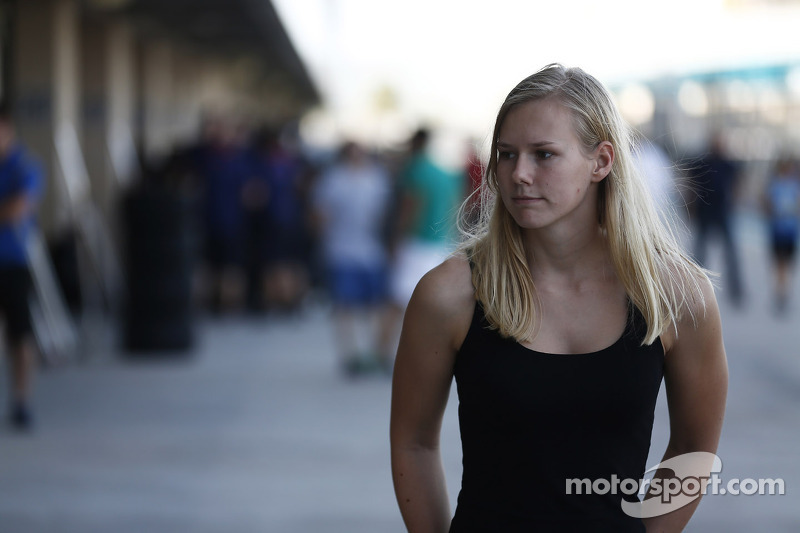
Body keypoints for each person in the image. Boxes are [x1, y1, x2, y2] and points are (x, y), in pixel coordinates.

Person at [390, 64, 728, 531]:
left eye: (543, 155)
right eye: (506, 155)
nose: (518, 174)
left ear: (602, 161)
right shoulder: (452, 293)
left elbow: (694, 447)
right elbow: (414, 441)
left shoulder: (675, 295)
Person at [312, 141, 392, 375]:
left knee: (376, 306)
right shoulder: (333, 179)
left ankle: (376, 352)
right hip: (342, 252)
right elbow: (320, 213)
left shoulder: (377, 178)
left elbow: (387, 213)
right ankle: (350, 355)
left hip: (372, 252)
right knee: (344, 306)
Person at [0, 104, 43, 430]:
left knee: (20, 337)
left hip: (13, 262)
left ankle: (21, 401)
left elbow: (17, 209)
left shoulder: (23, 165)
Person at [688, 134, 744, 306]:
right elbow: (691, 184)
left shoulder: (728, 164)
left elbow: (737, 183)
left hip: (722, 212)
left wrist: (735, 201)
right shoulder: (702, 162)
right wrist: (691, 207)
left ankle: (736, 290)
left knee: (730, 253)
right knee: (699, 254)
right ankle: (693, 287)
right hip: (705, 212)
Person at [762, 157, 800, 314]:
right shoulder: (775, 185)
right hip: (778, 231)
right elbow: (766, 205)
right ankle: (780, 292)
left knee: (785, 266)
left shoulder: (794, 186)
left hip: (789, 232)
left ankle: (782, 291)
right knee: (780, 265)